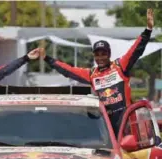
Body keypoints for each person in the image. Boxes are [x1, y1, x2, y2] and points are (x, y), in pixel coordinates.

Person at [38, 9, 154, 137]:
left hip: (126, 125)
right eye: (97, 55)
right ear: (94, 57)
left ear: (109, 54)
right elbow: (68, 70)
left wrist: (148, 30)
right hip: (106, 128)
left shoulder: (120, 66)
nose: (100, 57)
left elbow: (136, 50)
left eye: (103, 54)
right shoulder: (91, 74)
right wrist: (47, 58)